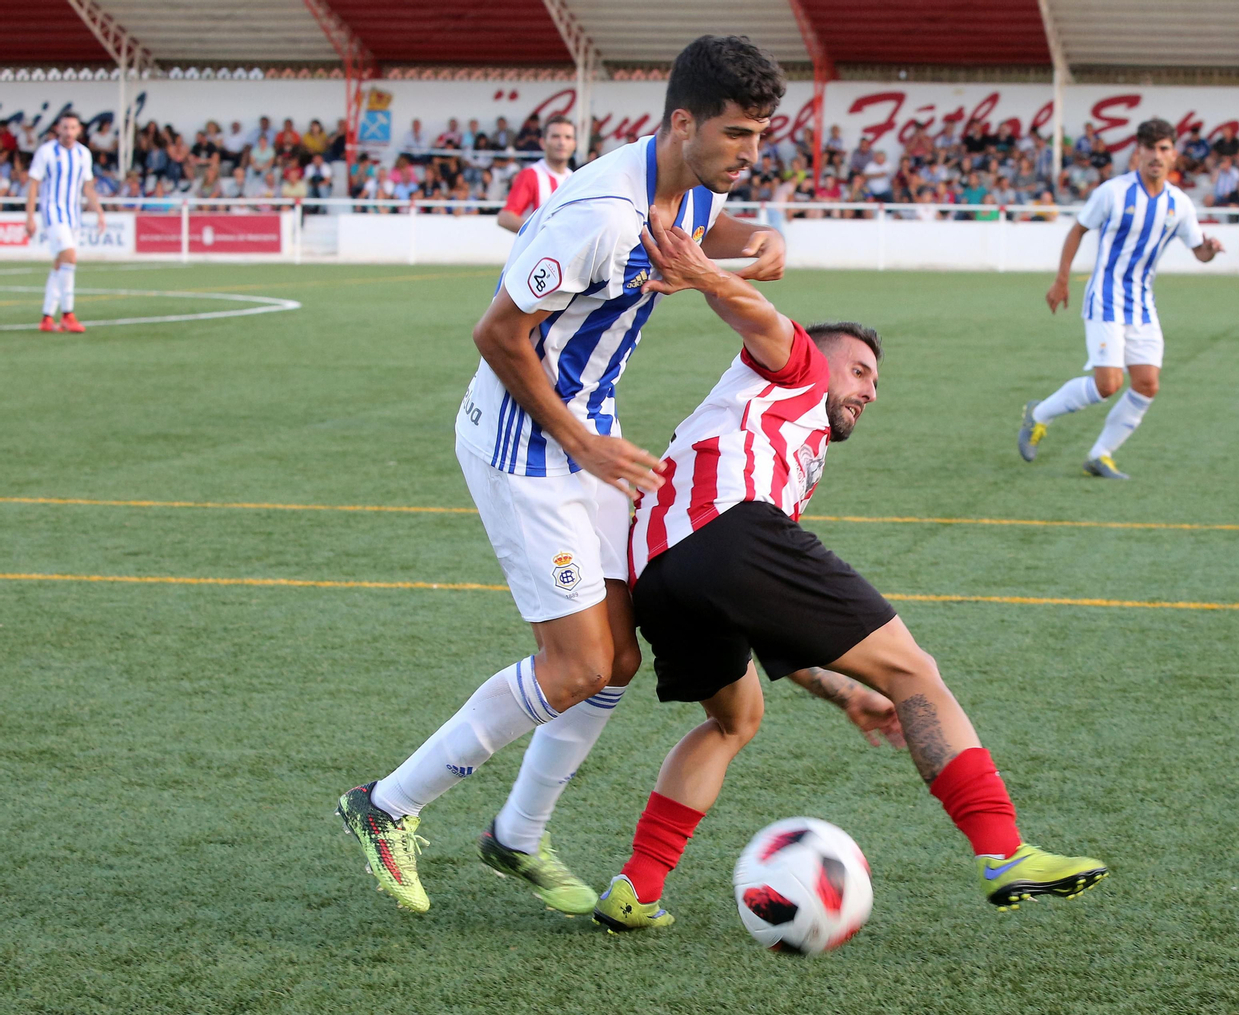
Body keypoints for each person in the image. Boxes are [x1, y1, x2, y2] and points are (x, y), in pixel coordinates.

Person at [335, 35, 799, 919]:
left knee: (619, 656)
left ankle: (516, 834)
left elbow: (717, 227)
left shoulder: (693, 181)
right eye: (738, 133)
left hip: (591, 431)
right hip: (526, 440)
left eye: (760, 135)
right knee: (579, 660)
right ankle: (384, 805)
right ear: (682, 121)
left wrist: (759, 240)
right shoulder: (601, 216)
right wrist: (579, 443)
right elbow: (497, 335)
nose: (751, 152)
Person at [587, 208, 1108, 931]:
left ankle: (636, 886)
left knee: (734, 719)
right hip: (730, 533)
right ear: (822, 358)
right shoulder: (795, 365)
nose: (869, 389)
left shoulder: (780, 446)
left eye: (874, 379)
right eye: (859, 371)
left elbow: (763, 616)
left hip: (662, 577)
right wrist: (707, 273)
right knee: (913, 670)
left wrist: (843, 694)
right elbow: (759, 314)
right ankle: (1002, 848)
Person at [1018, 118, 1222, 479]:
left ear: (1173, 154)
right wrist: (1062, 280)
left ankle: (1101, 455)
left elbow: (1199, 252)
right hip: (1105, 298)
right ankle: (1039, 414)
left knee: (1147, 384)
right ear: (1138, 153)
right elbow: (1078, 229)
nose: (1156, 156)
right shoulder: (1113, 192)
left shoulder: (1180, 204)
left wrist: (1210, 248)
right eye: (1150, 148)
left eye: (1163, 149)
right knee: (1108, 385)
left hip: (1142, 304)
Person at [25, 113, 105, 334]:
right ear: (58, 129)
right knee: (70, 257)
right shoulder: (47, 152)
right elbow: (33, 185)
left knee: (60, 264)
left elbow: (87, 187)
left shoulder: (83, 154)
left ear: (78, 130)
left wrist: (99, 211)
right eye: (65, 128)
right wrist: (29, 216)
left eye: (73, 128)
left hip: (73, 215)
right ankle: (68, 314)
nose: (69, 132)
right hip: (53, 213)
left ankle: (46, 317)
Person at [496, 116, 577, 233]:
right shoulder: (531, 175)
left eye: (568, 137)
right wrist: (544, 232)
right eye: (555, 136)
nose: (562, 142)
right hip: (540, 251)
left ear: (574, 144)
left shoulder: (575, 179)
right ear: (543, 142)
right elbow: (505, 217)